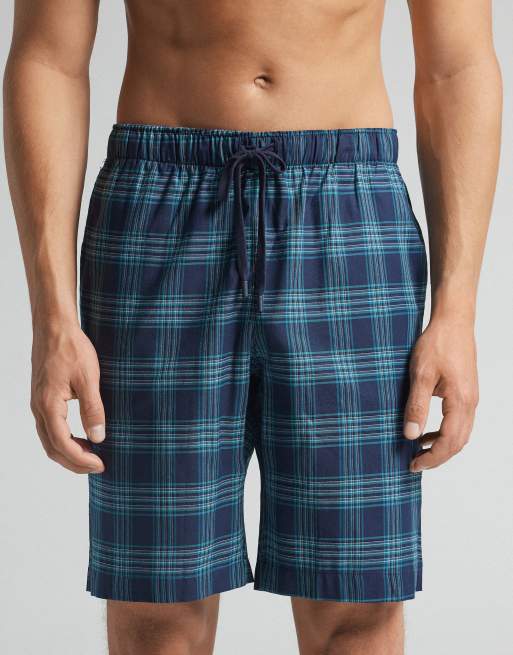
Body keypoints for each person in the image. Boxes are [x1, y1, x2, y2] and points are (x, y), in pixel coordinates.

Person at [3, 1, 502, 654]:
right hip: (160, 205)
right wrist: (52, 316)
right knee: (158, 611)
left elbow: (455, 65)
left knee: (355, 607)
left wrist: (457, 310)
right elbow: (49, 58)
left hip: (346, 210)